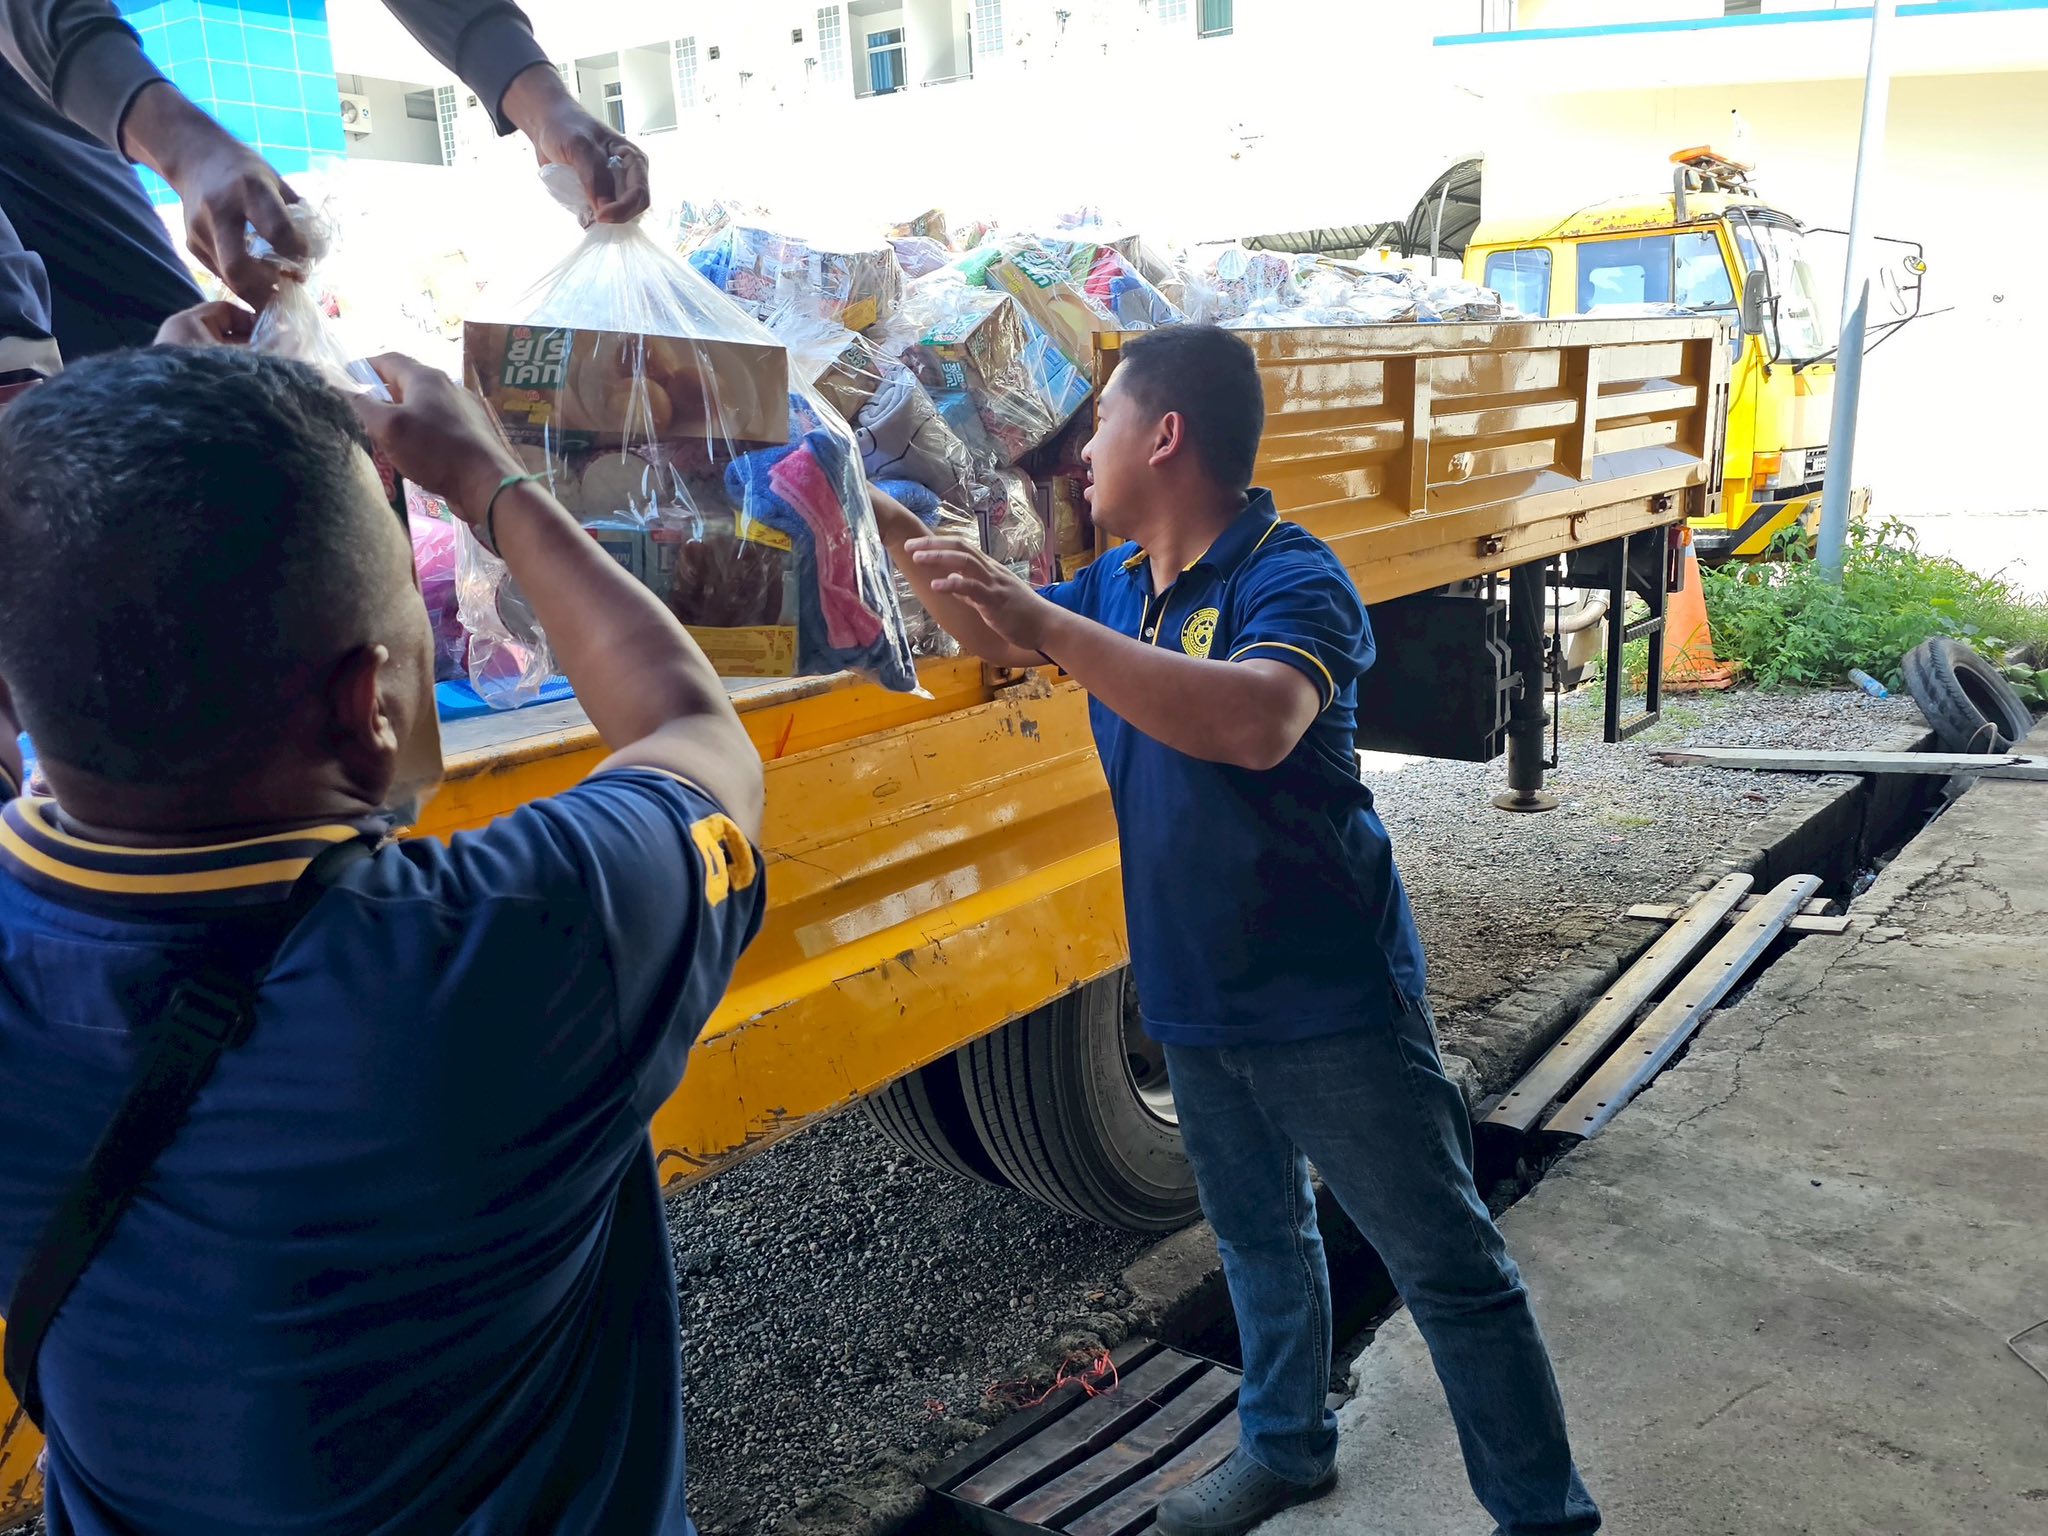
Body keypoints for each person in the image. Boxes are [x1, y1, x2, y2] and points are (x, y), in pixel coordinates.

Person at [0, 334, 765, 1534]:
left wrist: (142, 453)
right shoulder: (515, 945)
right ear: (370, 704)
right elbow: (691, 730)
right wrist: (488, 480)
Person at [876, 325, 1602, 1536]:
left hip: (1326, 1002)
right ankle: (1283, 1446)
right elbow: (997, 629)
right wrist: (866, 506)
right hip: (1190, 991)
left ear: (1164, 435)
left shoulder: (1288, 572)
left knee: (1445, 1268)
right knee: (1258, 1237)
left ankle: (1542, 1517)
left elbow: (1258, 720)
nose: (1079, 456)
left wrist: (1049, 627)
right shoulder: (1120, 585)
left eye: (1099, 425)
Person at [0, 0, 647, 375]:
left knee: (176, 377)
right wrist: (185, 148)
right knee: (87, 392)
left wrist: (541, 100)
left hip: (57, 93)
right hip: (32, 88)